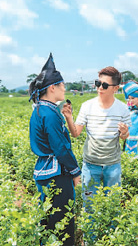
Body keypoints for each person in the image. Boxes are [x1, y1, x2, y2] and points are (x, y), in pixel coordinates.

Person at [29, 53, 81, 245]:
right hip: (57, 174)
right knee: (63, 223)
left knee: (48, 220)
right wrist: (76, 172)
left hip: (44, 170)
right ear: (52, 88)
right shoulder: (50, 114)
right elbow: (61, 148)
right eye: (62, 85)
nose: (65, 88)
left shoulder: (41, 109)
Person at [62, 66, 131, 210]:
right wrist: (69, 118)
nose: (99, 88)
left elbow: (124, 137)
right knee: (89, 204)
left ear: (115, 88)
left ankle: (111, 232)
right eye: (98, 83)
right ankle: (91, 233)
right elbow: (76, 133)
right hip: (90, 164)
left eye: (105, 85)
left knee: (113, 204)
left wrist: (124, 132)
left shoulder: (123, 108)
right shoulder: (87, 106)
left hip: (112, 165)